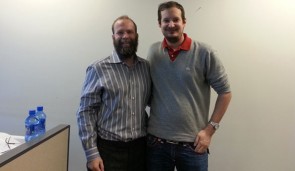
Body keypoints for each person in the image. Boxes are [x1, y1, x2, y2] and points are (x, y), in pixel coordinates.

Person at [146, 1, 232, 171]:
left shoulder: (204, 52)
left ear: (184, 22)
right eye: (166, 20)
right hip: (156, 144)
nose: (171, 25)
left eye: (176, 20)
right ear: (159, 24)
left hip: (193, 145)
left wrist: (209, 131)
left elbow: (225, 93)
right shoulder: (153, 51)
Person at [77, 15, 151, 171]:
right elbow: (85, 112)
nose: (125, 36)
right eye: (120, 32)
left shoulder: (146, 68)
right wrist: (92, 154)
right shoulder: (98, 69)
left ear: (136, 36)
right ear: (113, 37)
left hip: (141, 149)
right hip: (108, 151)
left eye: (130, 32)